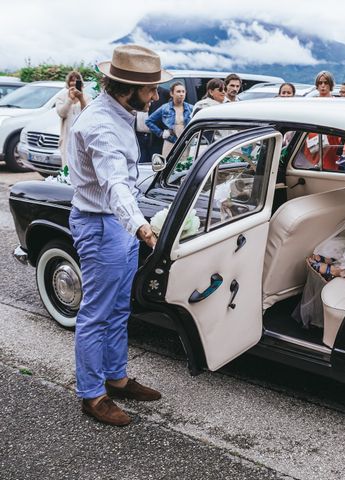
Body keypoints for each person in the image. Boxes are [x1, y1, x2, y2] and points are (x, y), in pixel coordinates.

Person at [67, 44, 169, 426]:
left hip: (116, 224)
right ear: (129, 88)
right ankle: (92, 395)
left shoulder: (119, 111)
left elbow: (123, 179)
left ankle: (117, 377)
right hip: (101, 224)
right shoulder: (102, 126)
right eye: (151, 90)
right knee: (95, 313)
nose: (156, 95)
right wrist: (142, 226)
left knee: (119, 308)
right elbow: (114, 185)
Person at [145, 81, 194, 157]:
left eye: (183, 92)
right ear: (172, 93)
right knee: (169, 164)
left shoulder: (191, 108)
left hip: (186, 141)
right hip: (170, 141)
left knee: (185, 164)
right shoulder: (165, 107)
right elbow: (149, 121)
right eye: (178, 91)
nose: (181, 94)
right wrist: (161, 133)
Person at [55, 71, 91, 167]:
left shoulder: (87, 97)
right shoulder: (61, 97)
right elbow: (61, 113)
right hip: (67, 137)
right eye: (72, 80)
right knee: (67, 164)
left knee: (81, 164)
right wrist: (70, 99)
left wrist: (81, 98)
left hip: (82, 137)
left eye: (76, 80)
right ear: (68, 82)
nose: (74, 83)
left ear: (81, 82)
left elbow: (88, 114)